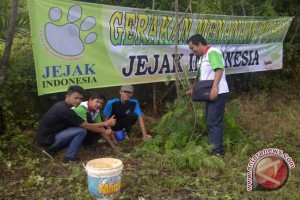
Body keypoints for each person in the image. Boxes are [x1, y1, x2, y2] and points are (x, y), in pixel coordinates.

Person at [35, 85, 116, 164]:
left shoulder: (62, 105)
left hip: (48, 136)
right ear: (67, 96)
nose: (78, 101)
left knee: (80, 129)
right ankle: (69, 157)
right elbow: (87, 126)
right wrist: (106, 125)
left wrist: (107, 131)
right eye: (76, 98)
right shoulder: (66, 110)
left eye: (80, 98)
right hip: (47, 140)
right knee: (81, 131)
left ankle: (53, 150)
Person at [186, 34, 229, 156]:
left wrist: (215, 88)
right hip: (210, 93)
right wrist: (194, 90)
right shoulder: (203, 57)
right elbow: (204, 77)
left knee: (214, 123)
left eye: (192, 47)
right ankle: (216, 150)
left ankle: (217, 153)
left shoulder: (212, 52)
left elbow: (219, 69)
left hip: (218, 92)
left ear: (199, 43)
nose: (192, 50)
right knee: (211, 122)